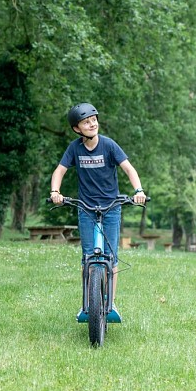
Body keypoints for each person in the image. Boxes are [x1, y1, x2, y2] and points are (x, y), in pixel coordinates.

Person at [49, 102, 146, 321]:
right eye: (86, 122)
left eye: (93, 119)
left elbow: (129, 169)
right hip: (86, 208)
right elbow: (59, 171)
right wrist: (56, 191)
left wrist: (138, 190)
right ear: (77, 128)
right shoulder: (74, 148)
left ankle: (110, 304)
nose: (92, 124)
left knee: (110, 258)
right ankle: (88, 304)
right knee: (88, 257)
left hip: (111, 208)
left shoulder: (109, 145)